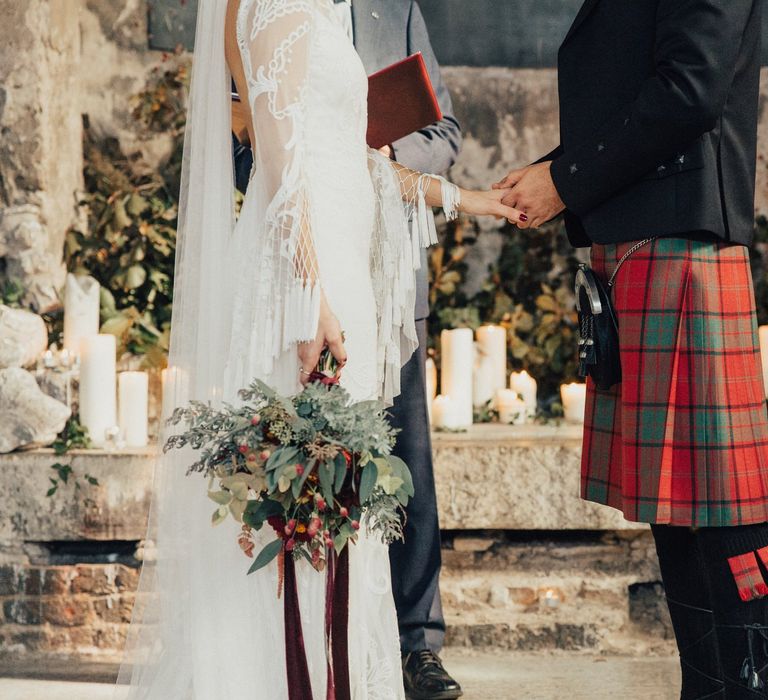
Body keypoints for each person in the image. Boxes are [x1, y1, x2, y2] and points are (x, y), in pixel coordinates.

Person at [117, 1, 524, 698]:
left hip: (342, 278)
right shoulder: (272, 7)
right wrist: (311, 302)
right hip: (304, 284)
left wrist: (469, 200)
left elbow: (354, 163)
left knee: (342, 506)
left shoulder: (317, 12)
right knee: (302, 500)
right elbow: (280, 170)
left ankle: (343, 675)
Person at [495, 1, 768, 696]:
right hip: (651, 237)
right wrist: (558, 172)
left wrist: (564, 181)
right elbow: (640, 84)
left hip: (681, 241)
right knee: (679, 509)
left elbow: (692, 85)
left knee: (725, 509)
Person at [233, 1, 463, 696]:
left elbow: (444, 129)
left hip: (385, 281)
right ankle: (308, 654)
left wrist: (390, 156)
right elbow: (262, 140)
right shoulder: (271, 12)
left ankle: (416, 642)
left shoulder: (398, 9)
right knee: (313, 467)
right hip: (314, 266)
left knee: (405, 466)